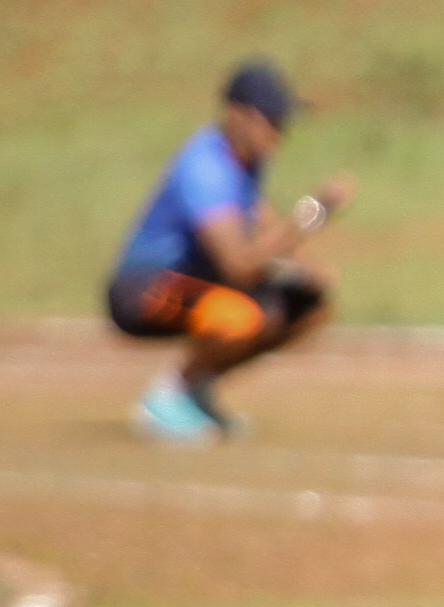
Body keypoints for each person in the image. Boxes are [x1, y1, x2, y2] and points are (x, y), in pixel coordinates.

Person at [106, 60, 349, 441]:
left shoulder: (246, 164)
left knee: (307, 305)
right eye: (271, 120)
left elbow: (260, 227)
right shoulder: (206, 167)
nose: (279, 132)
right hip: (145, 288)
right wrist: (311, 214)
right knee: (240, 317)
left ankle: (195, 388)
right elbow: (237, 265)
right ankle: (167, 396)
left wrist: (302, 267)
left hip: (195, 281)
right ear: (237, 115)